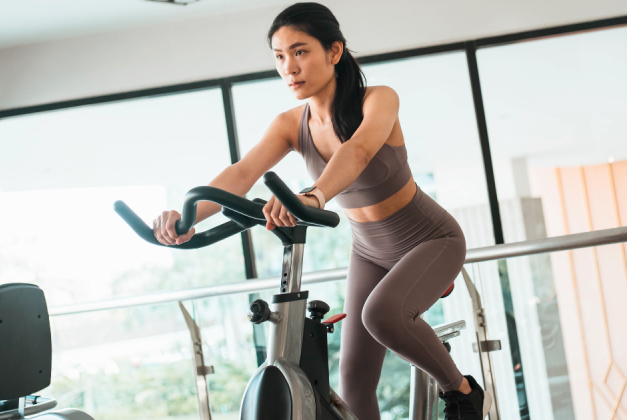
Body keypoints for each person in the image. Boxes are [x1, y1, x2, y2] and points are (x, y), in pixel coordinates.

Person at [151, 3, 491, 420]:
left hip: (430, 239)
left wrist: (315, 194)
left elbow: (359, 149)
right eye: (279, 57)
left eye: (299, 52)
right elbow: (241, 173)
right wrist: (187, 219)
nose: (288, 67)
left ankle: (461, 391)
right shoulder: (288, 124)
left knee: (382, 316)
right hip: (368, 250)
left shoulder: (379, 99)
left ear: (334, 51)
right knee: (352, 381)